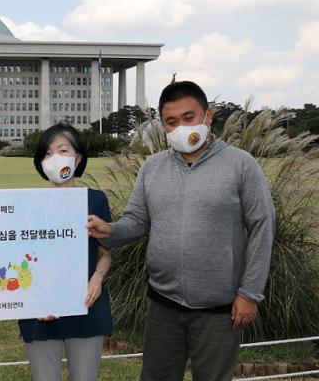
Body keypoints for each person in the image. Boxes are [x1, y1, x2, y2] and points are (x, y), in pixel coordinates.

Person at [87, 81, 275, 381]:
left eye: (189, 117)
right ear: (163, 125)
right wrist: (109, 230)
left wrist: (249, 293)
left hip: (219, 308)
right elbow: (137, 221)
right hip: (163, 304)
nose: (180, 127)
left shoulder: (240, 164)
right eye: (171, 122)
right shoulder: (153, 167)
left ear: (207, 116)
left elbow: (262, 227)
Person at [19, 123, 113, 381]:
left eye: (62, 150)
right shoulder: (28, 205)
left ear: (78, 157)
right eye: (47, 154)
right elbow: (19, 260)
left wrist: (97, 278)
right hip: (40, 310)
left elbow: (105, 252)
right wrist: (35, 298)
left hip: (86, 304)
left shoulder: (96, 200)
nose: (54, 158)